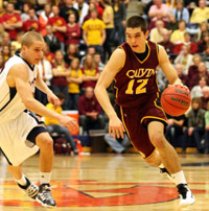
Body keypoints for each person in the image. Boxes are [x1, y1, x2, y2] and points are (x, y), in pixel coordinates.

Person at [94, 16, 195, 206]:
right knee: (151, 159)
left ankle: (183, 187)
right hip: (128, 109)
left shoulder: (158, 51)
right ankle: (165, 166)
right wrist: (112, 117)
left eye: (137, 36)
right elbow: (99, 87)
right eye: (129, 36)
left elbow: (174, 78)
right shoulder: (120, 54)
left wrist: (181, 89)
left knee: (157, 136)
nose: (132, 41)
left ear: (146, 34)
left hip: (150, 101)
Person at [0, 31, 77, 208]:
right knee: (15, 165)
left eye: (42, 50)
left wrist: (49, 93)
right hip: (2, 121)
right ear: (24, 49)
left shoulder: (32, 63)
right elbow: (29, 101)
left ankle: (44, 186)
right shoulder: (18, 67)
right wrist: (59, 117)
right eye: (36, 50)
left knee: (46, 141)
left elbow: (37, 78)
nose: (40, 55)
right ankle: (23, 183)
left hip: (18, 114)